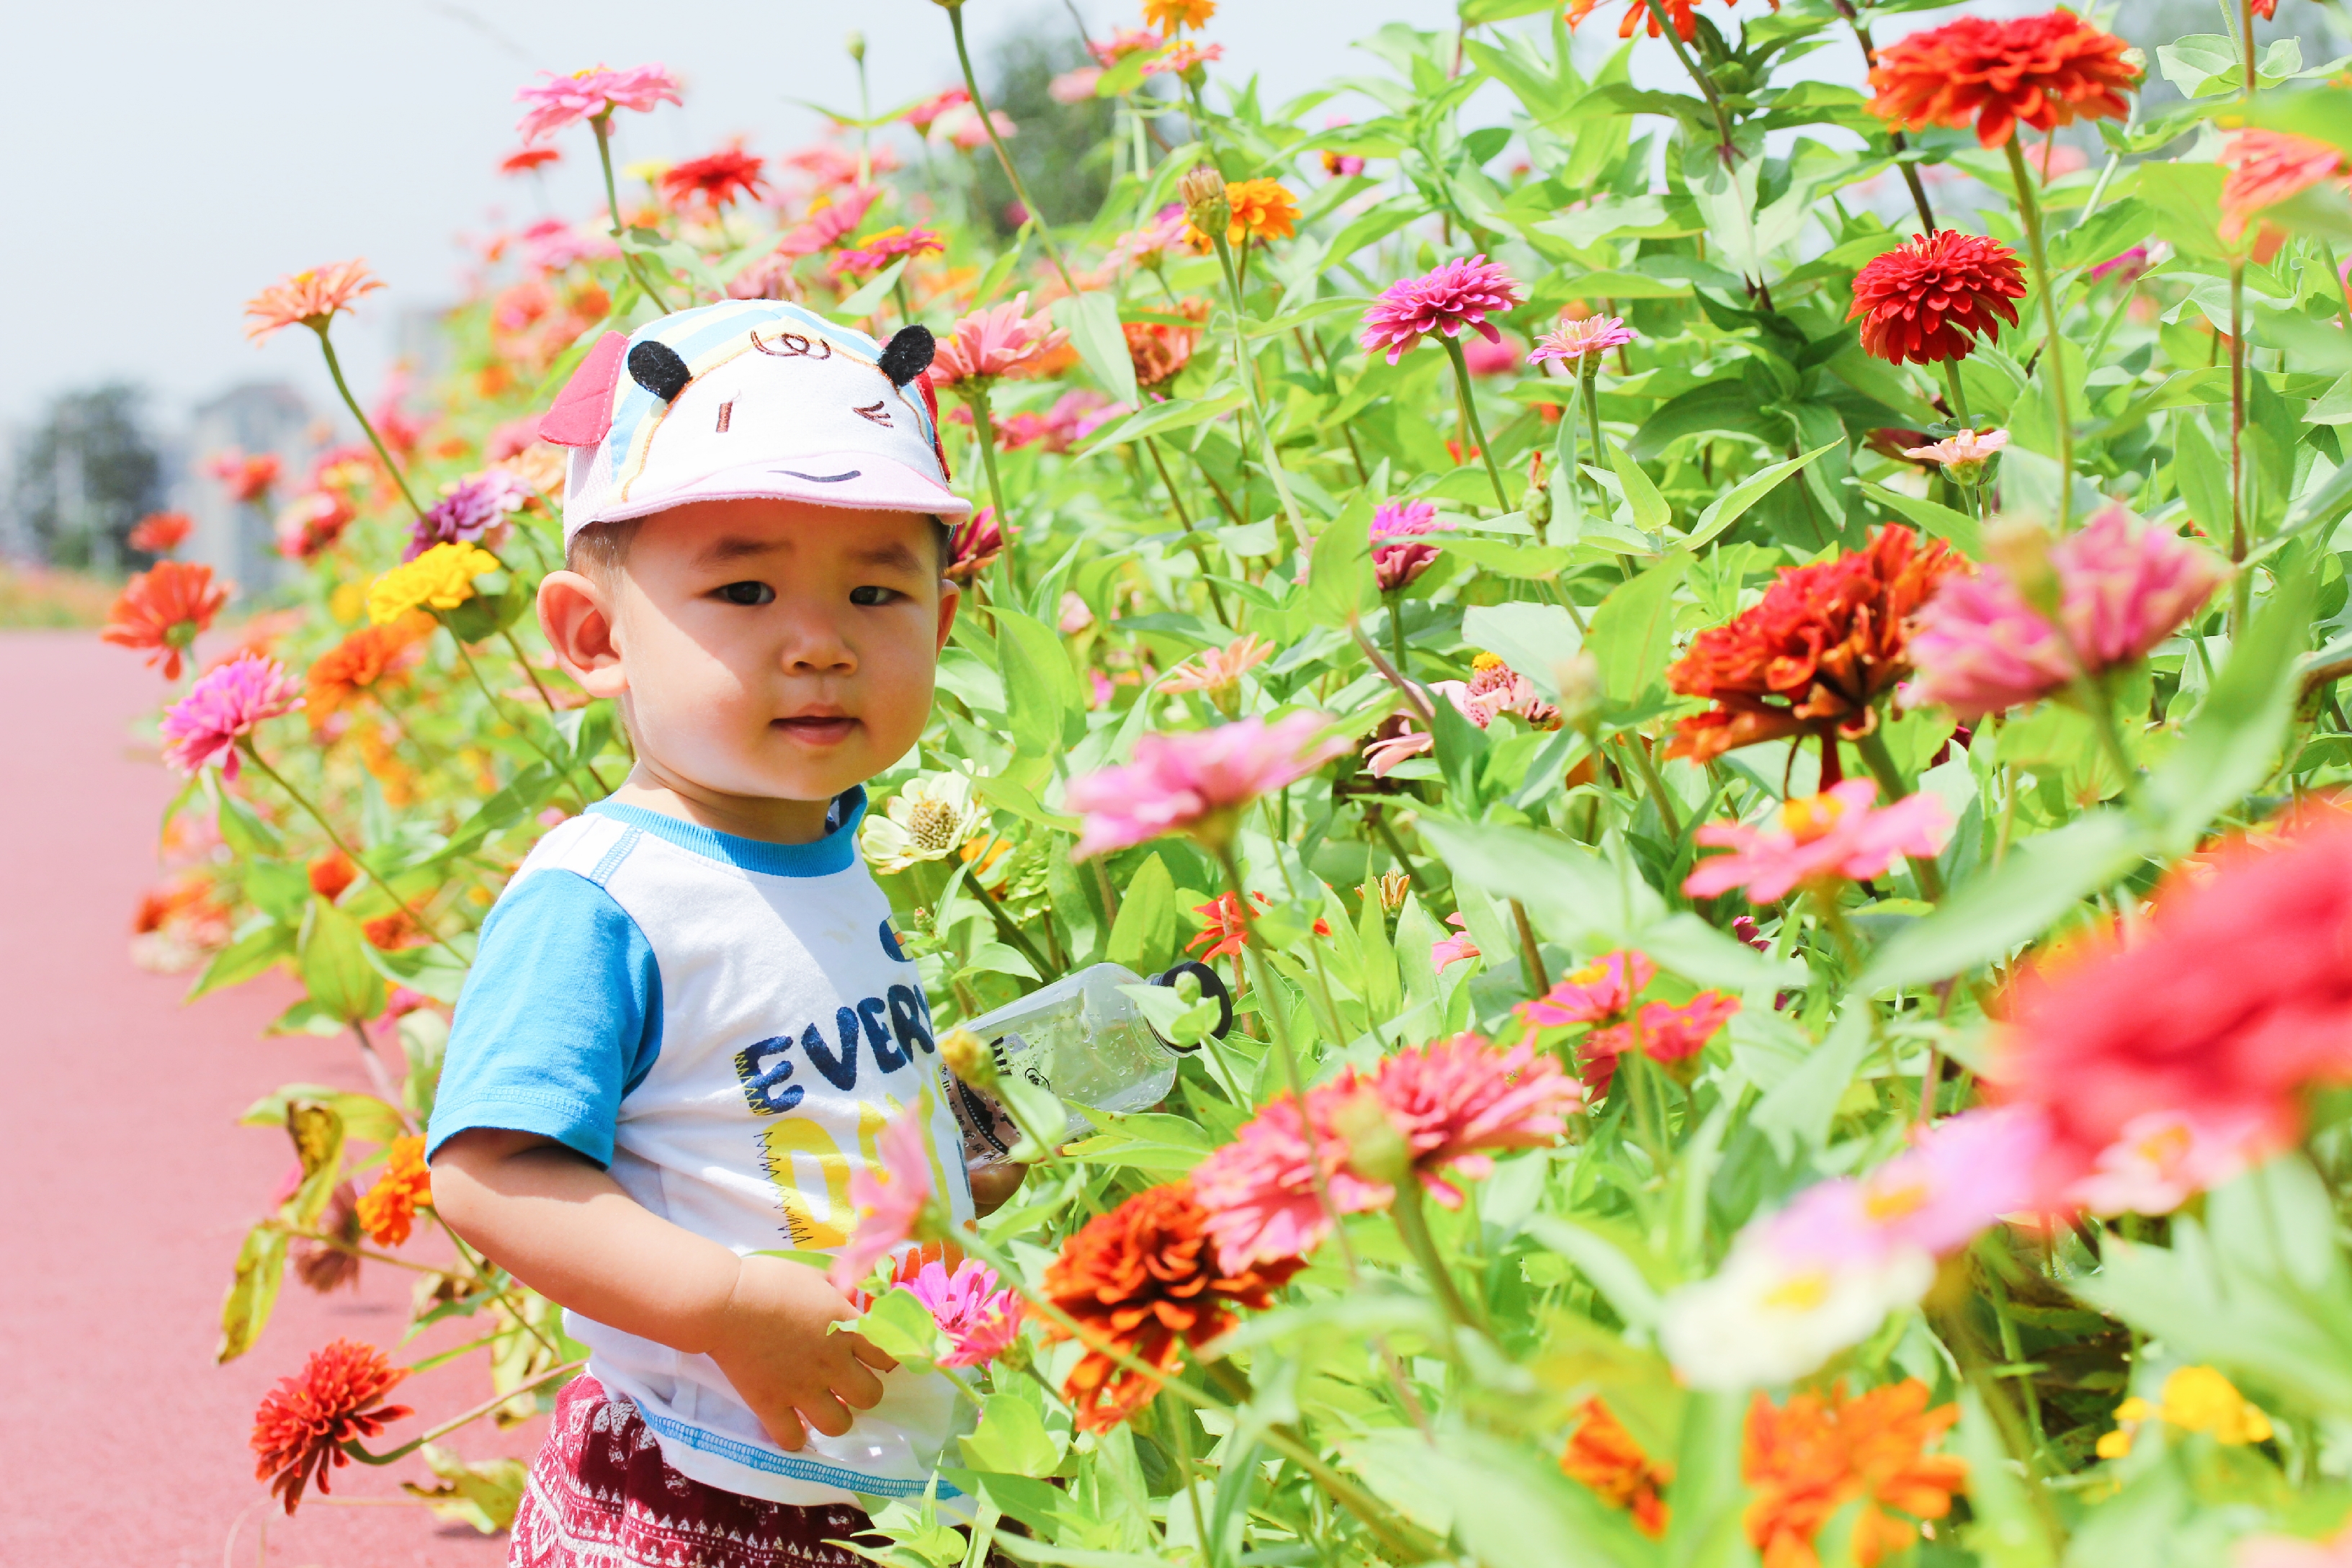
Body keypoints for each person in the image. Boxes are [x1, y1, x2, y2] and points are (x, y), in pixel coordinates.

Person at [427, 300, 1019, 1567]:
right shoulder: (604, 894)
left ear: (941, 623)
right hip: (706, 1480)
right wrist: (732, 1303)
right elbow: (491, 1172)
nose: (820, 643)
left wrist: (955, 1162)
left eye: (876, 590)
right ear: (595, 637)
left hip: (893, 1457)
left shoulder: (834, 848)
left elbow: (773, 1109)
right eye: (744, 589)